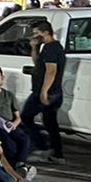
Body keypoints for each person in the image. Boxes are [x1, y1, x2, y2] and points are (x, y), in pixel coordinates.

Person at [23, 20, 66, 162]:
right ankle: (57, 153)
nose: (34, 36)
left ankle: (42, 146)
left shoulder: (51, 48)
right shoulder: (47, 47)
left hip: (47, 92)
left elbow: (51, 71)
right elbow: (38, 65)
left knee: (26, 117)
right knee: (50, 122)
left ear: (46, 32)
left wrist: (43, 91)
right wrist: (34, 48)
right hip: (50, 91)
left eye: (37, 33)